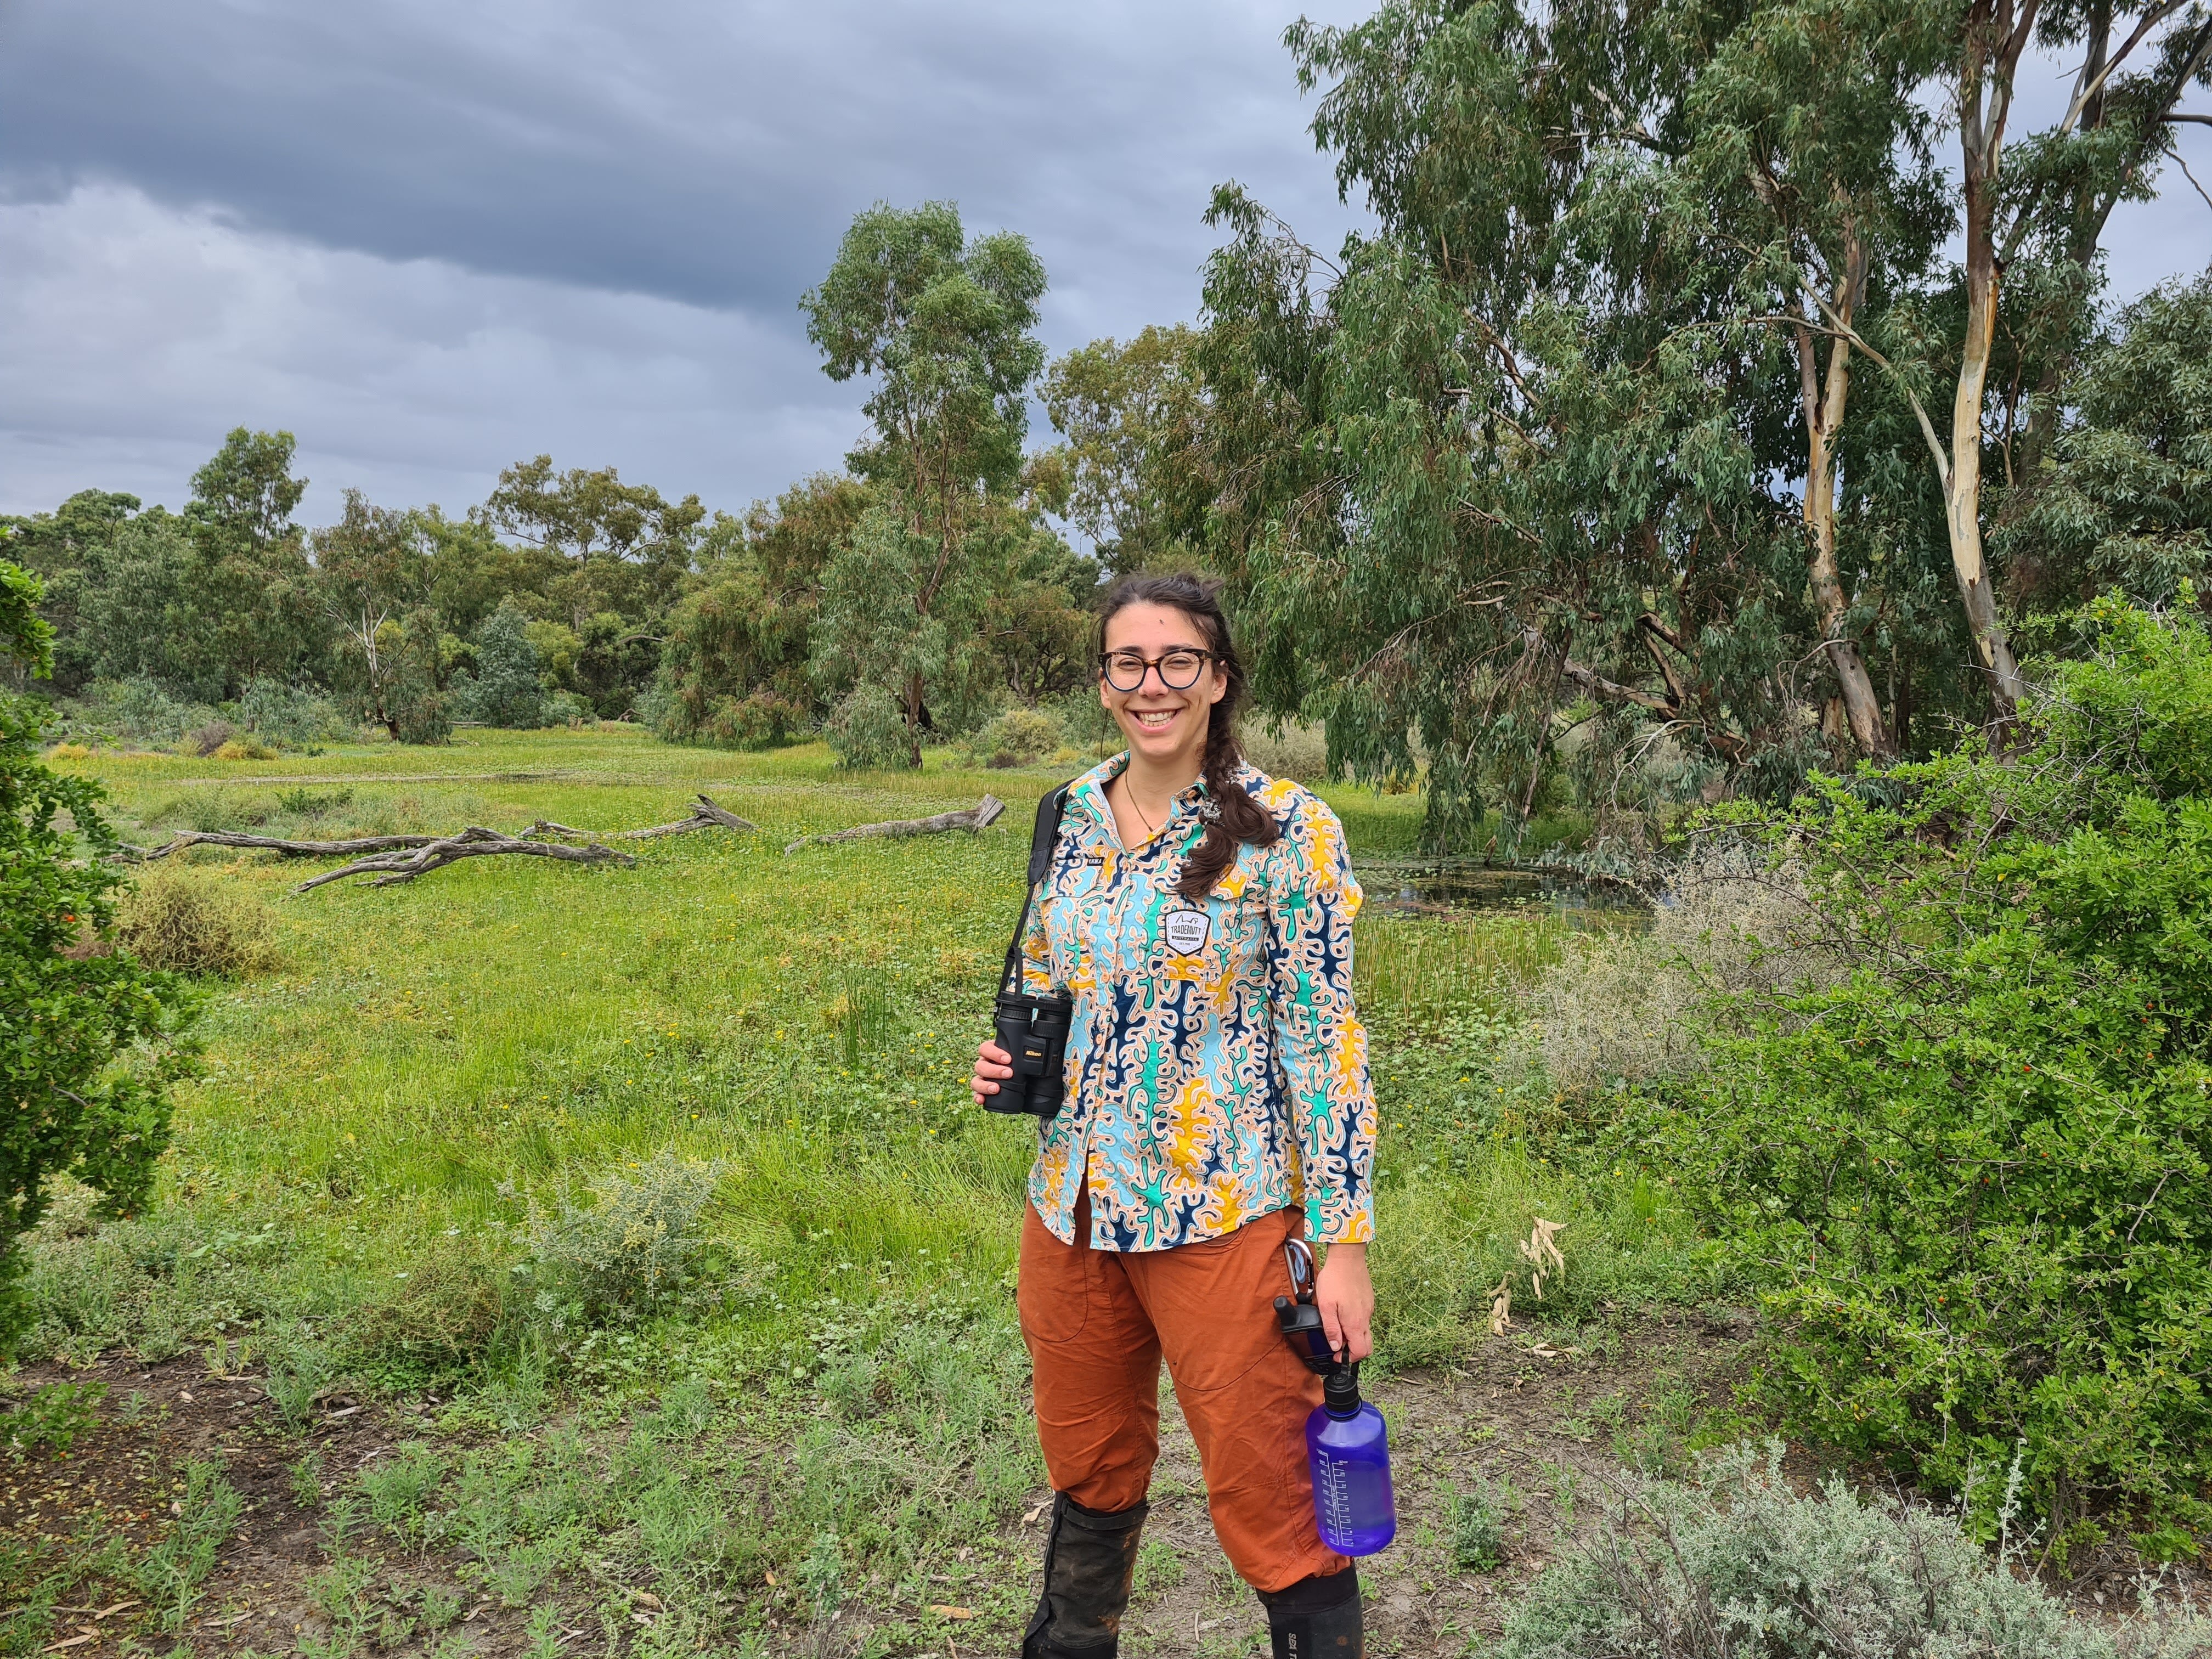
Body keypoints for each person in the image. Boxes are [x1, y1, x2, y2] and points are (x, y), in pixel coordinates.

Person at [971, 572, 1378, 1659]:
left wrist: (1343, 1244)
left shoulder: (1288, 829)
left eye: (1177, 661)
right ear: (1104, 682)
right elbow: (1050, 974)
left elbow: (1326, 1044)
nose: (1152, 684)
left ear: (1219, 678)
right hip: (1072, 1210)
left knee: (1275, 1492)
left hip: (1223, 1213)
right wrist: (1015, 1058)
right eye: (1129, 663)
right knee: (1089, 1467)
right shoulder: (1067, 812)